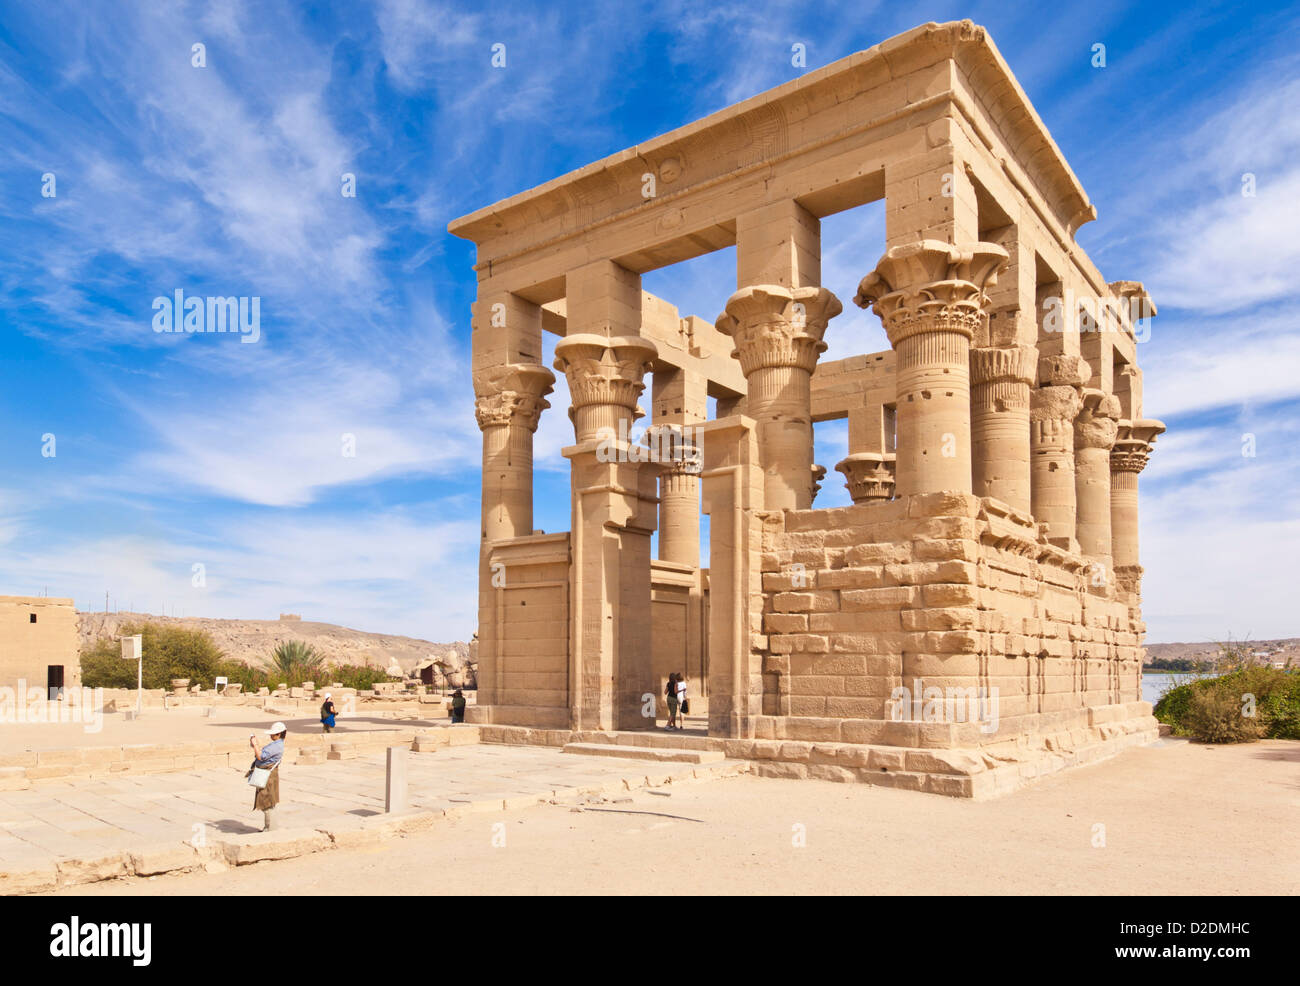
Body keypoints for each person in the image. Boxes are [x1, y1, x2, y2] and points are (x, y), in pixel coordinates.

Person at [249, 722, 287, 831]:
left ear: (279, 734)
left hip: (268, 776)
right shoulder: (276, 744)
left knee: (266, 802)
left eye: (273, 734)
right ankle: (269, 827)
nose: (271, 736)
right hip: (268, 774)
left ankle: (270, 828)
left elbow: (260, 756)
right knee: (268, 802)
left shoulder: (277, 746)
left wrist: (255, 744)